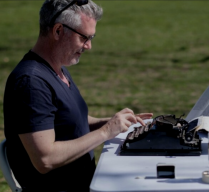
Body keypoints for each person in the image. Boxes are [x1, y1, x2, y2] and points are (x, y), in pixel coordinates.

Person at [3, 0, 153, 191]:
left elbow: (69, 120)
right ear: (58, 31)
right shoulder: (31, 82)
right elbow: (45, 159)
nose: (89, 46)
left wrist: (116, 123)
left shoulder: (57, 69)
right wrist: (106, 132)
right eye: (84, 38)